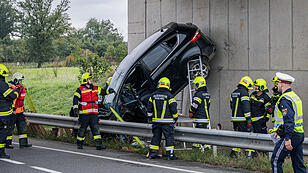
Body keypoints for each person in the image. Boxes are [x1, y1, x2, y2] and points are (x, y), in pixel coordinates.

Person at [270, 72, 307, 173]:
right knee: (298, 164)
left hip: (291, 135)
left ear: (281, 84)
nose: (276, 85)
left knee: (275, 160)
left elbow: (289, 120)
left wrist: (287, 138)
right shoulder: (294, 96)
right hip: (299, 134)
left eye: (277, 83)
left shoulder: (285, 99)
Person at [73, 73, 114, 150]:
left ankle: (99, 145)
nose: (91, 80)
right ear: (85, 80)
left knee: (96, 129)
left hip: (94, 114)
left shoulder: (95, 88)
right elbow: (75, 99)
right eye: (89, 79)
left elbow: (103, 91)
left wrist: (109, 91)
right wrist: (75, 109)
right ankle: (79, 144)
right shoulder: (80, 89)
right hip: (84, 114)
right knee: (83, 129)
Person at [147, 77, 178, 160]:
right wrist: (175, 118)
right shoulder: (170, 96)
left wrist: (150, 117)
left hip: (156, 121)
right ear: (168, 85)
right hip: (167, 122)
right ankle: (170, 155)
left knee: (156, 137)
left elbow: (149, 109)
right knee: (169, 138)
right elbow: (173, 109)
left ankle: (152, 154)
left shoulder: (152, 96)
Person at [229, 76, 254, 158]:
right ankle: (248, 156)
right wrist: (249, 121)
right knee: (246, 137)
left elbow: (231, 106)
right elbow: (246, 108)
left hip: (234, 119)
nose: (249, 89)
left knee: (237, 136)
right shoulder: (244, 93)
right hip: (242, 119)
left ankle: (234, 153)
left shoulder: (234, 92)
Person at [6, 72, 32, 149]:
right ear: (16, 80)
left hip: (20, 112)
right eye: (20, 80)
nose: (21, 82)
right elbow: (13, 100)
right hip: (13, 112)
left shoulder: (21, 88)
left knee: (22, 127)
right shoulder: (12, 88)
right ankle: (8, 143)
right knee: (10, 128)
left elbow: (21, 101)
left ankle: (23, 143)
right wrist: (13, 109)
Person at [0, 64, 21, 158]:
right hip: (2, 115)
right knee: (2, 133)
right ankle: (1, 153)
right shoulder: (2, 85)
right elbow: (11, 96)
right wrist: (17, 91)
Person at [189, 76, 211, 150]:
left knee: (200, 136)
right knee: (200, 135)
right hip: (206, 118)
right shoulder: (207, 94)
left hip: (199, 118)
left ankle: (203, 149)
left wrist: (191, 112)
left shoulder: (198, 95)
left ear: (198, 85)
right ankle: (198, 149)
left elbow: (194, 106)